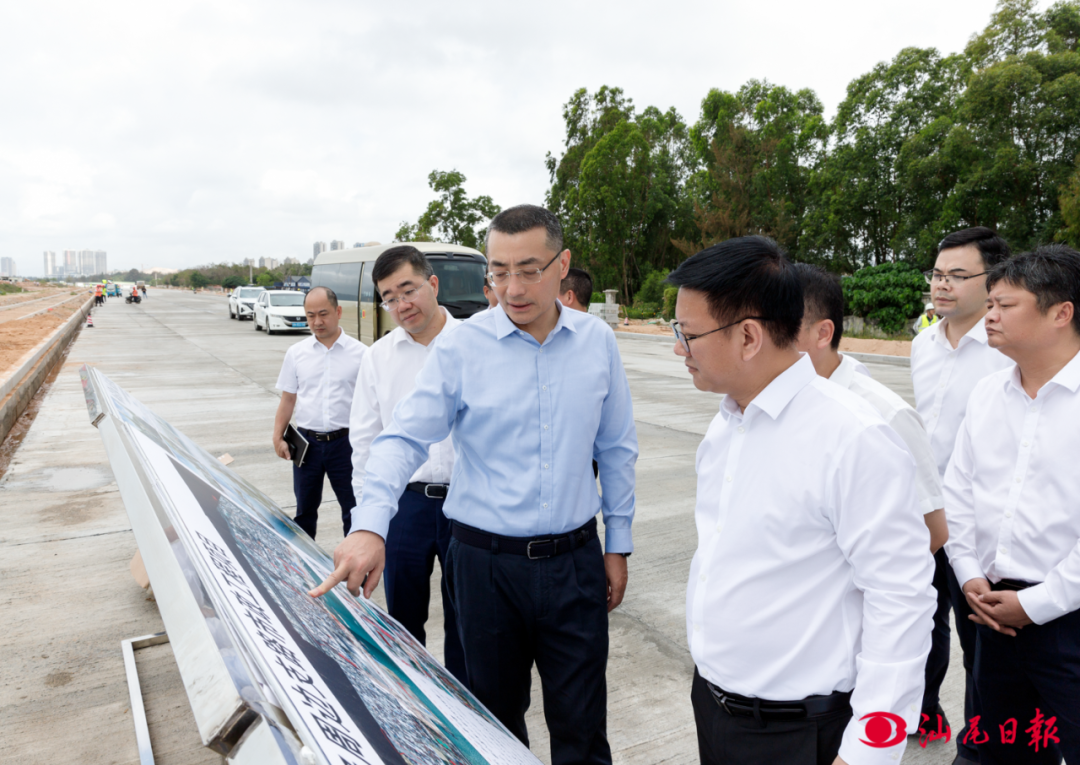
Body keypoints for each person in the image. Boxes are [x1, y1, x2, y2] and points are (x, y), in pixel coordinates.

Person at [312, 204, 638, 765]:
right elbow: (400, 440)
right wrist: (369, 525)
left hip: (575, 565)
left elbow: (616, 448)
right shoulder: (462, 347)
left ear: (562, 265)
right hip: (487, 569)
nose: (512, 288)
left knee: (583, 726)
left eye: (529, 270)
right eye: (499, 271)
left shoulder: (596, 341)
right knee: (494, 725)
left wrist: (618, 544)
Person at [669, 237, 935, 765]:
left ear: (748, 336)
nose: (679, 349)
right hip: (716, 709)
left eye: (688, 334)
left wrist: (868, 753)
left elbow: (900, 599)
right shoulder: (727, 426)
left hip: (800, 733)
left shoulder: (852, 438)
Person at [944, 245, 1080, 765]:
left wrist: (1037, 604)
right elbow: (958, 492)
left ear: (1061, 313)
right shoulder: (987, 394)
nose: (990, 316)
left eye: (1004, 305)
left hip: (1068, 618)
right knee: (997, 752)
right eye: (990, 304)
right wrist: (968, 575)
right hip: (992, 612)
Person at [911, 226, 1013, 762]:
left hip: (975, 523)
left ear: (992, 281)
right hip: (921, 514)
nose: (942, 285)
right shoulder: (922, 344)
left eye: (957, 275)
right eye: (936, 274)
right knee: (918, 623)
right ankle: (922, 712)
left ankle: (980, 740)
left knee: (980, 641)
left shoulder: (1006, 351)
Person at [349, 245, 467, 684]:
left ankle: (465, 707)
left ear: (432, 284)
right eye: (390, 298)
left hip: (468, 504)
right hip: (404, 507)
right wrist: (369, 520)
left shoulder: (475, 345)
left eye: (408, 290)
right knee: (402, 622)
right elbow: (365, 442)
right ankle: (414, 699)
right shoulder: (377, 357)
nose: (402, 305)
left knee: (468, 621)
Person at [793, 263, 948, 552]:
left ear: (823, 333)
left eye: (777, 327)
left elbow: (932, 532)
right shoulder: (772, 406)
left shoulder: (887, 416)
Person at [273, 286, 366, 539]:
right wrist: (277, 436)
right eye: (310, 315)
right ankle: (302, 562)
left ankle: (353, 561)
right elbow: (288, 398)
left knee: (353, 510)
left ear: (338, 311)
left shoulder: (362, 354)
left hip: (346, 445)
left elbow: (372, 404)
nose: (317, 322)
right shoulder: (296, 353)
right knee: (304, 510)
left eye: (323, 314)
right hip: (306, 445)